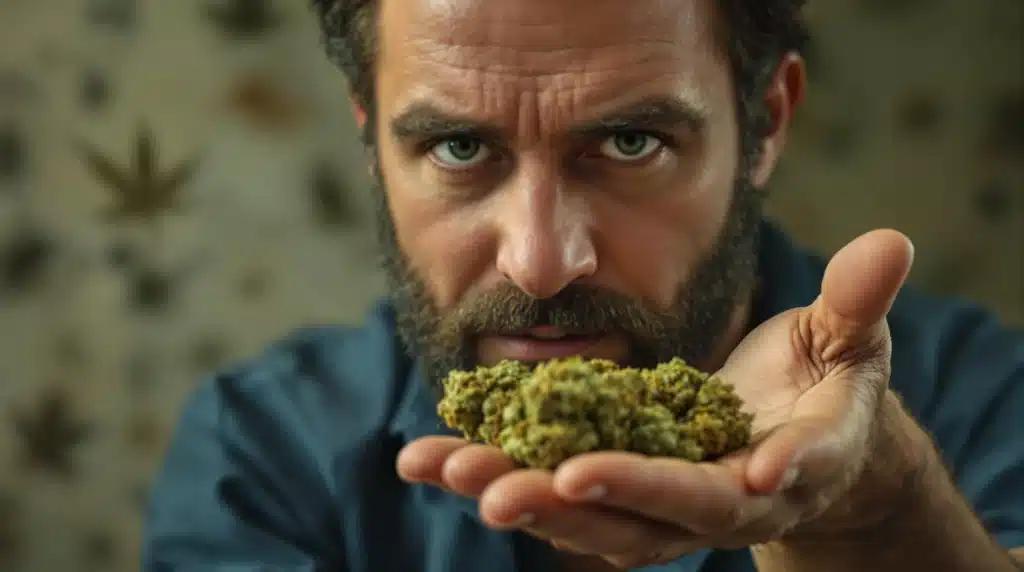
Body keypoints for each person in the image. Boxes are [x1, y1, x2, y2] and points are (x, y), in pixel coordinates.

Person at [142, 1, 1024, 570]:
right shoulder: (266, 452)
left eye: (631, 144)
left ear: (763, 124)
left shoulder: (982, 398)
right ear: (372, 141)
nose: (540, 262)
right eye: (458, 147)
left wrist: (877, 513)